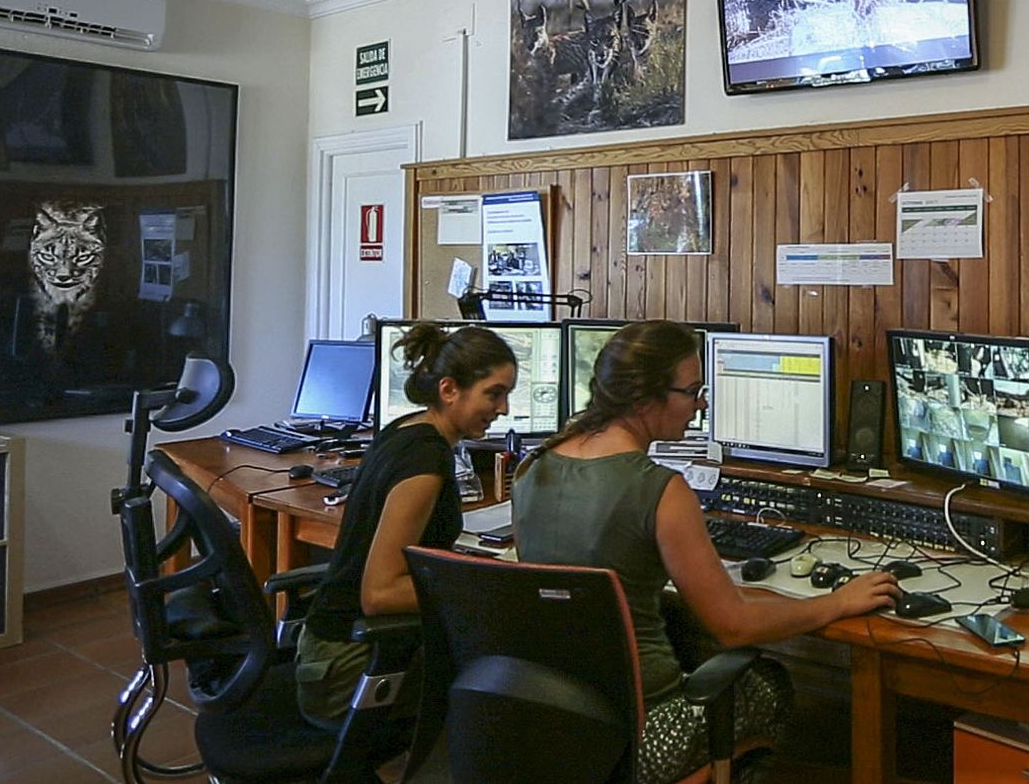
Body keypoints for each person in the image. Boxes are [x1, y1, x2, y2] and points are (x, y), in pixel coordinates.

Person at [512, 320, 899, 783]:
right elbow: (733, 626)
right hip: (642, 734)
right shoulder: (660, 490)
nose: (702, 404)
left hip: (553, 720)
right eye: (692, 392)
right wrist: (838, 601)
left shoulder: (533, 467)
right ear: (645, 400)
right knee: (767, 684)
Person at [295, 322, 517, 729]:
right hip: (347, 669)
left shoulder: (407, 429)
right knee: (510, 673)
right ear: (449, 389)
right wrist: (482, 586)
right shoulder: (424, 464)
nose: (503, 409)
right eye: (494, 393)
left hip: (326, 650)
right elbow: (379, 595)